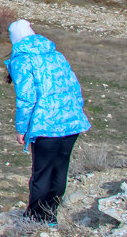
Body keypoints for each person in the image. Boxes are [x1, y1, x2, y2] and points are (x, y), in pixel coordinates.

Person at [5, 19, 90, 225]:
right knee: (60, 170)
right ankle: (50, 215)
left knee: (41, 173)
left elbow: (26, 98)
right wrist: (76, 112)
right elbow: (74, 86)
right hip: (72, 123)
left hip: (46, 125)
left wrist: (21, 129)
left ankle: (34, 219)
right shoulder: (55, 55)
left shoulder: (22, 61)